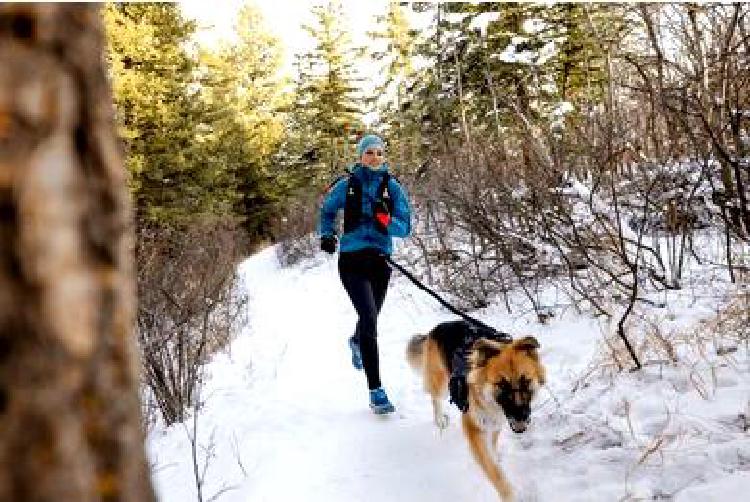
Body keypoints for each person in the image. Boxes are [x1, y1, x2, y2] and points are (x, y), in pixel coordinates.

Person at [318, 134, 412, 414]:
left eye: (378, 152)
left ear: (384, 156)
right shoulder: (347, 185)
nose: (373, 157)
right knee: (369, 317)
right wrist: (327, 234)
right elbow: (326, 211)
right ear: (360, 156)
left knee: (370, 317)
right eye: (368, 152)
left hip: (380, 262)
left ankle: (357, 340)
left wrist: (386, 221)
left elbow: (405, 227)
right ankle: (376, 391)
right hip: (351, 260)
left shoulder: (392, 188)